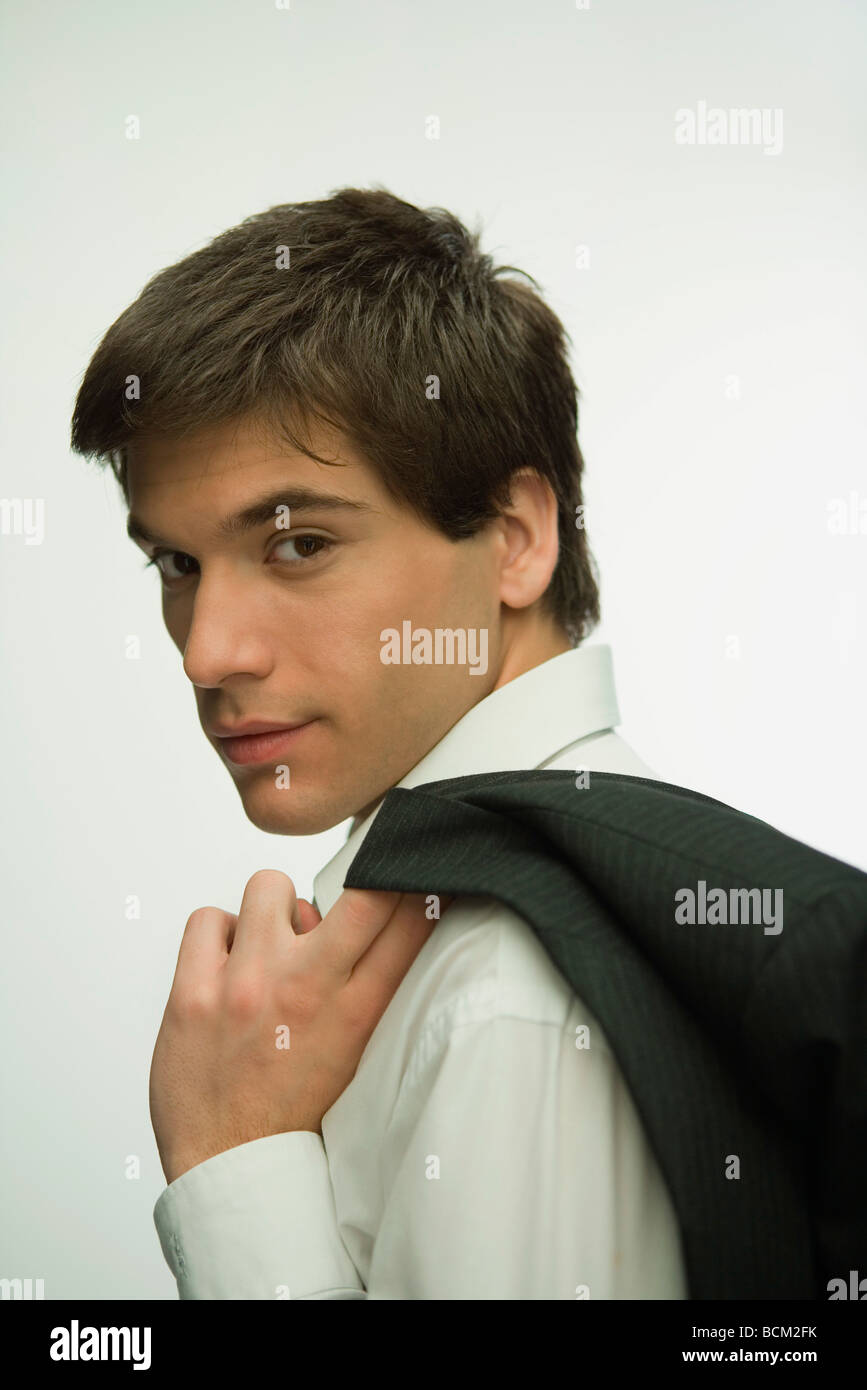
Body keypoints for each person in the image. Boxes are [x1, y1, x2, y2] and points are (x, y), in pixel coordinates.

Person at [69, 186, 687, 1299]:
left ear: (514, 539)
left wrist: (231, 1161)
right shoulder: (515, 915)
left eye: (298, 542)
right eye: (177, 564)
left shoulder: (511, 993)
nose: (206, 652)